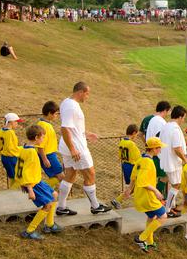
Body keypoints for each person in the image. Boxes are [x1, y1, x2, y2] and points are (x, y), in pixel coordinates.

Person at [56, 82, 111, 216]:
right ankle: (95, 206)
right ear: (80, 92)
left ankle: (61, 207)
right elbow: (65, 128)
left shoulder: (67, 102)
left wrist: (87, 134)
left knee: (70, 174)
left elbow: (73, 127)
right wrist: (73, 149)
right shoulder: (71, 107)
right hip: (76, 147)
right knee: (90, 174)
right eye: (87, 93)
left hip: (70, 145)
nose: (87, 96)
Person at [17, 125, 63, 240]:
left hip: (36, 181)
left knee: (54, 195)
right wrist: (30, 189)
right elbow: (26, 172)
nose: (43, 140)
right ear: (37, 137)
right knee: (47, 205)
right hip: (33, 184)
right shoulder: (32, 153)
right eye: (43, 137)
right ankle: (29, 231)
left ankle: (49, 225)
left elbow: (19, 168)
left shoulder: (24, 148)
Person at [124, 137, 167, 253]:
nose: (160, 150)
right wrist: (156, 191)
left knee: (151, 217)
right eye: (159, 148)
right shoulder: (148, 162)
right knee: (163, 217)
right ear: (153, 149)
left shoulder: (140, 159)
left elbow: (133, 177)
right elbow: (143, 182)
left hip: (140, 196)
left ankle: (150, 242)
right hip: (147, 196)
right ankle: (141, 238)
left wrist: (129, 189)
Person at [159, 105, 187, 216]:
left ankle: (170, 205)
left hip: (165, 159)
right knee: (176, 184)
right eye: (184, 117)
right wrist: (185, 159)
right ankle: (167, 209)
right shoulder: (175, 129)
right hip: (173, 162)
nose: (183, 120)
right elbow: (177, 148)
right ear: (180, 116)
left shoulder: (166, 126)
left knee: (171, 183)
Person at [0, 113, 24, 184]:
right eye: (16, 122)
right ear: (10, 122)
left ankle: (14, 191)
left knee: (12, 177)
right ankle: (15, 192)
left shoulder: (1, 131)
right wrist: (23, 149)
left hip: (4, 158)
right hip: (11, 158)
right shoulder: (10, 133)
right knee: (17, 178)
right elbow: (11, 149)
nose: (17, 124)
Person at [144, 101, 172, 195]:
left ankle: (158, 196)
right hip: (157, 154)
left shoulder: (152, 120)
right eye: (168, 111)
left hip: (151, 151)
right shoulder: (161, 122)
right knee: (166, 176)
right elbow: (161, 137)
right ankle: (158, 195)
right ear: (165, 110)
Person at [111, 124, 141, 209]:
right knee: (135, 186)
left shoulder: (122, 142)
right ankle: (118, 200)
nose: (136, 136)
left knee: (132, 187)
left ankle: (118, 200)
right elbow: (138, 158)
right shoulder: (132, 144)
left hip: (125, 165)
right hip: (132, 167)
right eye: (136, 134)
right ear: (134, 132)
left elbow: (120, 156)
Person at [36, 101, 64, 190]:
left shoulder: (44, 124)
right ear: (49, 113)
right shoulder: (44, 126)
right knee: (61, 177)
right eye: (55, 113)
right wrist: (45, 159)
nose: (57, 116)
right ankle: (41, 189)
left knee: (55, 178)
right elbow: (40, 146)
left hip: (49, 154)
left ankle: (50, 194)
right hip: (48, 155)